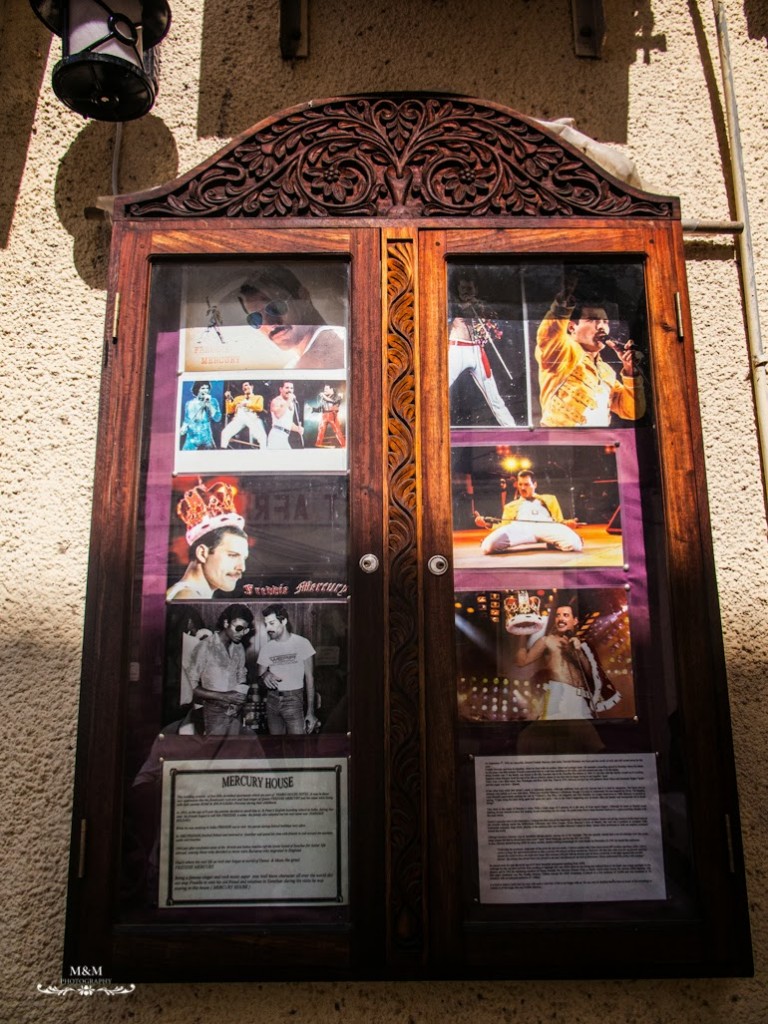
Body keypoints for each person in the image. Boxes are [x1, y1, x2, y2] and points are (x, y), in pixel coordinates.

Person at [536, 279, 645, 427]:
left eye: (605, 322)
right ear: (571, 327)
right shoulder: (563, 352)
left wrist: (630, 371)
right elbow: (550, 334)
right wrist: (562, 306)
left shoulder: (606, 371)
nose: (601, 326)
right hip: (561, 439)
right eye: (592, 319)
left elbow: (633, 411)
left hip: (597, 440)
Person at [514, 602, 620, 720]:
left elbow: (592, 674)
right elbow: (522, 662)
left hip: (582, 701)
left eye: (565, 615)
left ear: (575, 621)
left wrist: (578, 653)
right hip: (557, 697)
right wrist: (521, 634)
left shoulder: (583, 645)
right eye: (558, 615)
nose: (560, 619)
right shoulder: (547, 640)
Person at [239, 267, 346, 370]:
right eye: (255, 318)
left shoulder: (333, 351)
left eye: (275, 307)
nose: (268, 324)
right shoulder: (295, 366)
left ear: (303, 298)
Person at [448, 272, 516, 426]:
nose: (466, 292)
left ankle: (511, 428)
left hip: (477, 350)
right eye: (463, 289)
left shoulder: (481, 306)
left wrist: (480, 311)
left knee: (494, 395)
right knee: (442, 386)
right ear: (457, 289)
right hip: (457, 349)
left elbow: (495, 328)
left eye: (469, 289)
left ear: (476, 290)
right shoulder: (452, 305)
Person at [166, 479, 249, 600]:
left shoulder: (183, 593)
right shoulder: (190, 597)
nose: (242, 567)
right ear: (202, 553)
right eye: (232, 555)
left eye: (244, 558)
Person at [475, 470, 583, 554]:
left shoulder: (550, 499)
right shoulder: (510, 506)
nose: (522, 488)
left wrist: (568, 523)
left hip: (547, 527)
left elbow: (559, 520)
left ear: (534, 485)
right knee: (487, 547)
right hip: (521, 529)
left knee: (575, 545)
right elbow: (504, 526)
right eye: (520, 484)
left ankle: (553, 543)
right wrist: (487, 524)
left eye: (526, 484)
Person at [187, 604, 254, 735]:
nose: (242, 633)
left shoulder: (239, 647)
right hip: (214, 711)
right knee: (216, 747)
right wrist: (225, 696)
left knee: (234, 747)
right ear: (226, 623)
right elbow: (190, 687)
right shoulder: (205, 647)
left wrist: (239, 700)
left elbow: (241, 676)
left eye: (245, 630)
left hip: (236, 711)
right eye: (238, 628)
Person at [257, 604, 318, 735]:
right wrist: (264, 676)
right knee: (276, 745)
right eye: (266, 624)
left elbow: (310, 678)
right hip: (272, 701)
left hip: (294, 701)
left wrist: (311, 712)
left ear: (284, 621)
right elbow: (260, 681)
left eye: (272, 623)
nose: (268, 628)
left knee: (297, 745)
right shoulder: (266, 648)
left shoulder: (302, 643)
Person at [220, 381, 267, 450]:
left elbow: (260, 408)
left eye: (246, 385)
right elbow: (229, 410)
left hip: (252, 417)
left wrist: (246, 404)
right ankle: (223, 451)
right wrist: (228, 399)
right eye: (243, 387)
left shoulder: (258, 397)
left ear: (252, 387)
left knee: (262, 437)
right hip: (240, 417)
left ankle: (263, 452)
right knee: (225, 433)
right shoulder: (238, 398)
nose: (245, 387)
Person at [179, 381, 221, 450]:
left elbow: (217, 418)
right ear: (197, 390)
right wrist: (183, 428)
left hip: (206, 438)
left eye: (207, 388)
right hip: (192, 438)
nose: (206, 390)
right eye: (203, 388)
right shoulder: (189, 403)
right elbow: (187, 420)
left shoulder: (213, 401)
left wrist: (209, 405)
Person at [267, 381, 304, 449]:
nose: (289, 390)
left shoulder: (291, 404)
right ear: (281, 389)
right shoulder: (276, 400)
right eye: (287, 388)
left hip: (285, 436)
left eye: (291, 388)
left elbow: (288, 423)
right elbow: (278, 415)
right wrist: (289, 400)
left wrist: (297, 429)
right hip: (276, 435)